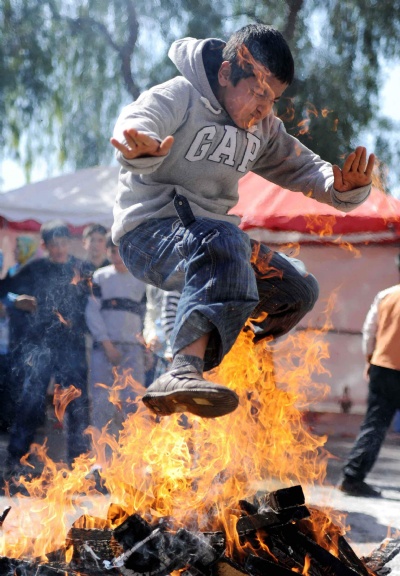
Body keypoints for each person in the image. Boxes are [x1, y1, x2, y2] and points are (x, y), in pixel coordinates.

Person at [110, 23, 375, 419]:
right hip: (149, 235)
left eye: (274, 99)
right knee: (224, 238)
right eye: (258, 93)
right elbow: (139, 121)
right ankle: (181, 368)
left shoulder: (264, 129)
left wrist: (343, 187)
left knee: (296, 288)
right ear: (225, 73)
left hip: (213, 243)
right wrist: (140, 146)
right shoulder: (180, 96)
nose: (264, 108)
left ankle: (230, 352)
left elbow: (306, 167)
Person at [0, 220, 91, 478]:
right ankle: (16, 458)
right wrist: (17, 300)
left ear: (69, 243)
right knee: (31, 401)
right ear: (45, 245)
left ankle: (79, 463)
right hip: (40, 345)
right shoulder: (36, 268)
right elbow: (5, 289)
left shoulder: (82, 269)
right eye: (54, 244)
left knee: (76, 403)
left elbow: (95, 302)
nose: (59, 248)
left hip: (71, 346)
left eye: (63, 243)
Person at [339, 283, 400, 498]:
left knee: (375, 424)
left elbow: (369, 330)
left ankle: (352, 478)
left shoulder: (386, 295)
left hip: (382, 367)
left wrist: (370, 359)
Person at [85, 233, 147, 435]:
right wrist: (107, 345)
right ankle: (102, 456)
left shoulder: (141, 279)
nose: (118, 256)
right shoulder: (100, 277)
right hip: (104, 350)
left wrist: (146, 348)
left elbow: (147, 315)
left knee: (134, 403)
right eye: (113, 251)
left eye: (122, 251)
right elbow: (92, 313)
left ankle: (133, 457)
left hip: (132, 350)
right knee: (102, 403)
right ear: (107, 251)